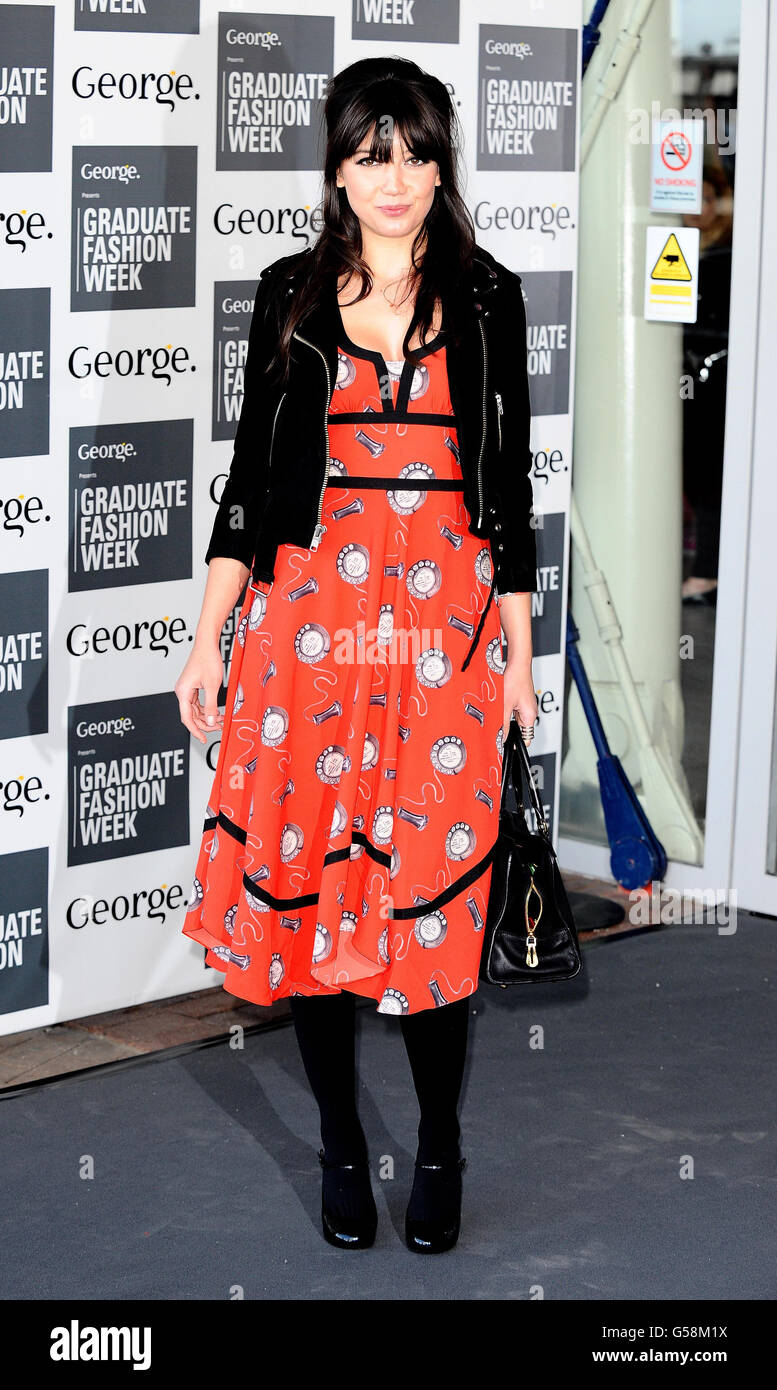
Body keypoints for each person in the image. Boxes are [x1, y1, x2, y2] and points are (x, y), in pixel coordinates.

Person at [175, 56, 538, 1255]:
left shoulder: (489, 297)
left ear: (444, 164)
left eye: (419, 153)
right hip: (309, 643)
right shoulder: (288, 294)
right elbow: (246, 485)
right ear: (337, 164)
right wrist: (207, 636)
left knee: (430, 916)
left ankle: (437, 1142)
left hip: (444, 651)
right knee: (312, 908)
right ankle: (340, 1139)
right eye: (373, 154)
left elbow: (512, 498)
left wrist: (523, 657)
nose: (398, 180)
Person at [681, 161, 734, 607]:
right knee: (691, 476)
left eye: (708, 198)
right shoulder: (672, 246)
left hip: (715, 382)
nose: (700, 207)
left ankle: (708, 571)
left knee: (709, 477)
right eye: (691, 196)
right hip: (681, 380)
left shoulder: (726, 253)